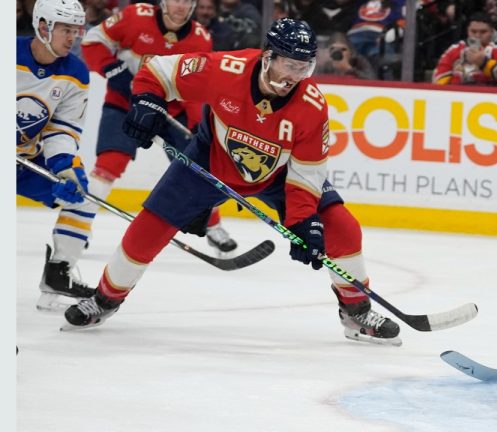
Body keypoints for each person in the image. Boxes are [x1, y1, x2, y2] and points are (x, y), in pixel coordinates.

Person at [62, 18, 402, 347]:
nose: (294, 77)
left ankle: (357, 312)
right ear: (268, 55)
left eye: (304, 68)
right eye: (288, 65)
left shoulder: (312, 107)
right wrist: (148, 99)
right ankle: (105, 299)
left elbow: (308, 172)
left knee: (342, 228)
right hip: (210, 162)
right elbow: (159, 71)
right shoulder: (226, 69)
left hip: (279, 176)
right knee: (146, 231)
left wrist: (303, 222)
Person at [80, 0, 238, 255]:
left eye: (187, 1)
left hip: (171, 111)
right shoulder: (135, 16)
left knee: (198, 169)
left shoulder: (200, 38)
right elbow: (93, 40)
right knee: (109, 164)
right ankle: (80, 223)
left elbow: (197, 87)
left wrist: (198, 123)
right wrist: (112, 69)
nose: (181, 6)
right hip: (126, 104)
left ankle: (213, 225)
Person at [17, 0, 96, 311]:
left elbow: (61, 129)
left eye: (75, 31)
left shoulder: (75, 73)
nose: (72, 38)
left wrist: (63, 165)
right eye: (65, 30)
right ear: (42, 27)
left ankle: (57, 274)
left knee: (81, 196)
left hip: (26, 160)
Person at [431, 12, 497, 86]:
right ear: (467, 31)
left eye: (483, 32)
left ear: (492, 32)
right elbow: (439, 77)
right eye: (473, 31)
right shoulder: (454, 49)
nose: (477, 36)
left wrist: (485, 63)